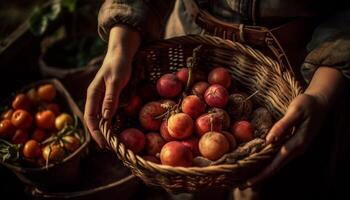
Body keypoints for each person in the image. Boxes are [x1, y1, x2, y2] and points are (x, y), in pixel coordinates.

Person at [84, 0, 350, 199]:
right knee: (186, 191)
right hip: (191, 33)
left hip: (298, 64)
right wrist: (121, 44)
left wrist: (320, 94)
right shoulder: (187, 107)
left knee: (275, 186)